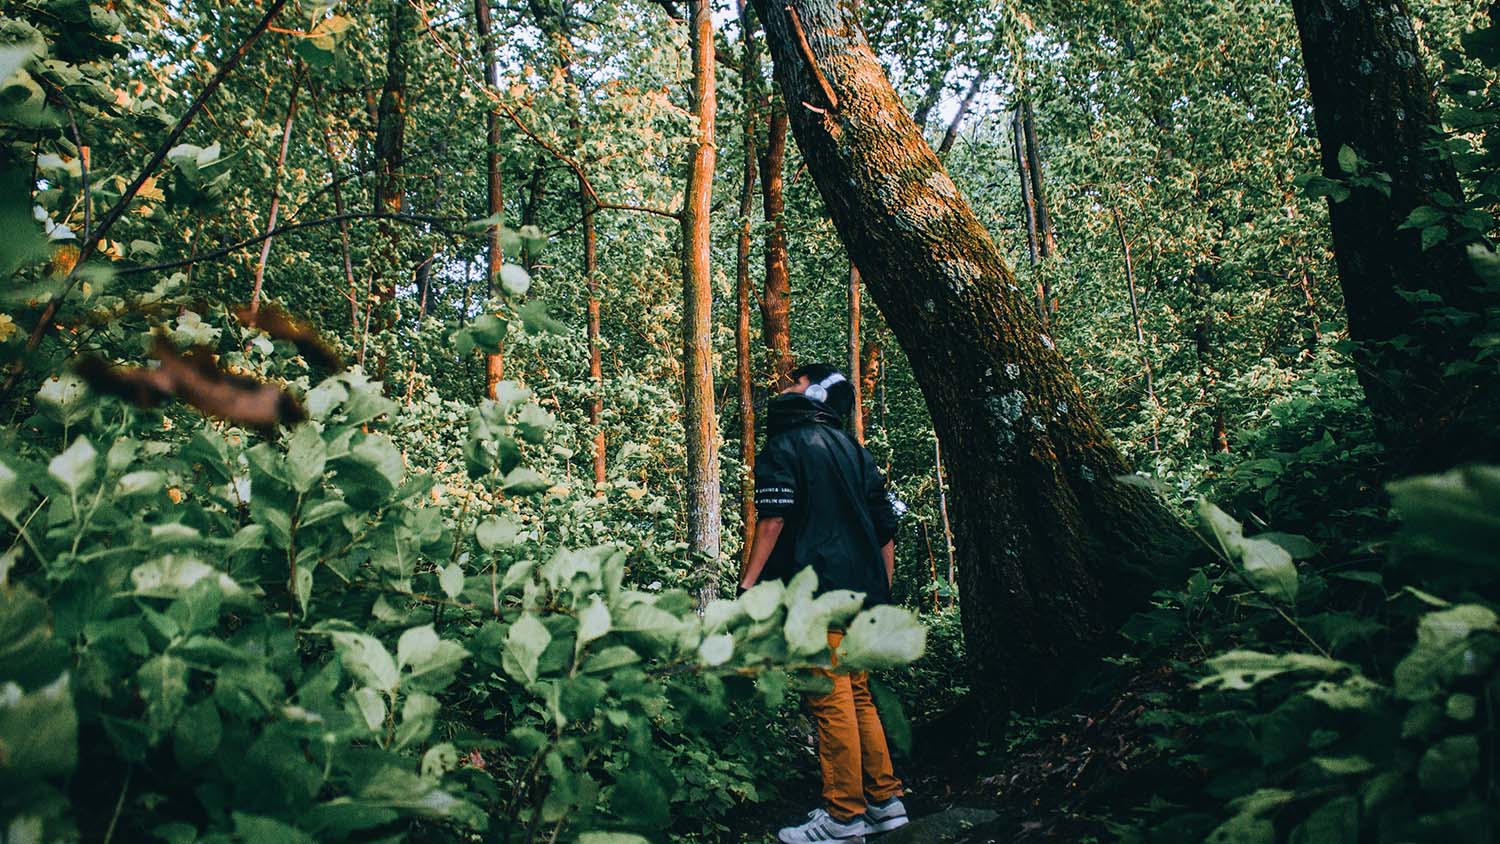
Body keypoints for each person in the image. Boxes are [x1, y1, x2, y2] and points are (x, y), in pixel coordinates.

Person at [738, 363, 909, 844]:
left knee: (830, 697)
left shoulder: (786, 444)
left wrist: (749, 584)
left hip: (818, 592)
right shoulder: (856, 451)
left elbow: (772, 519)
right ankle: (885, 801)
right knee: (856, 693)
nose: (784, 387)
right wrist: (883, 593)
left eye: (793, 381)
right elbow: (885, 530)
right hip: (862, 593)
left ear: (812, 393)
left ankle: (843, 817)